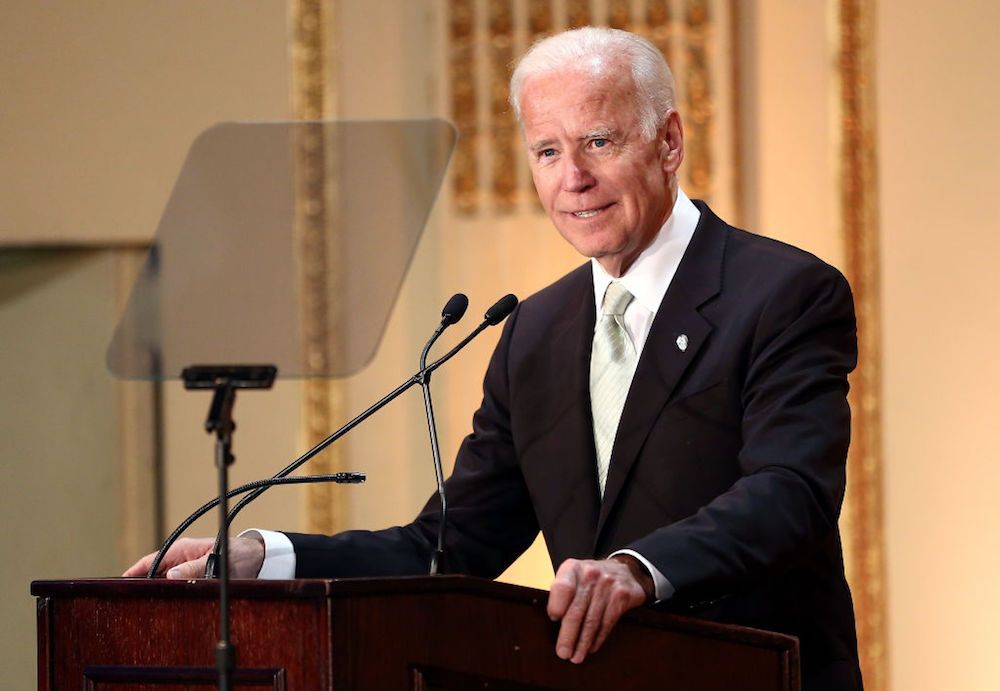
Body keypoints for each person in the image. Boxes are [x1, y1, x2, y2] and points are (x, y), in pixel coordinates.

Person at [126, 27, 863, 690]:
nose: (571, 177)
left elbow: (789, 492)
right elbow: (450, 547)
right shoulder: (534, 332)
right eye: (548, 151)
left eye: (598, 142)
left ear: (668, 141)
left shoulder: (782, 293)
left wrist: (639, 569)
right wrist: (267, 558)